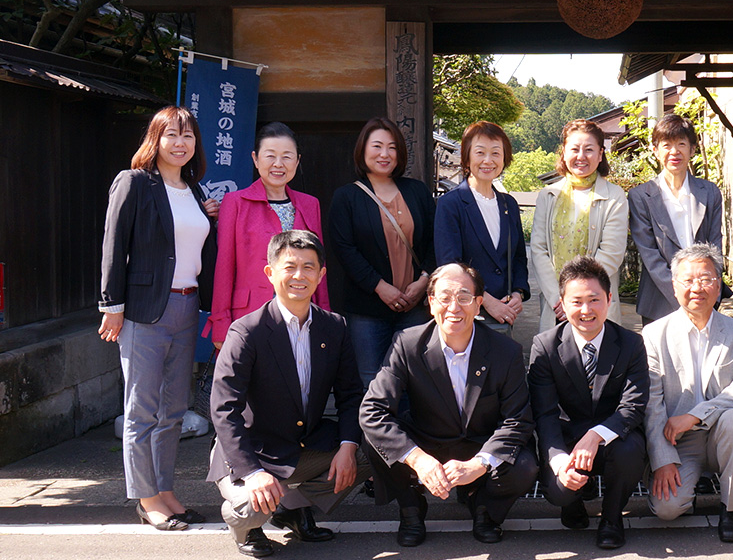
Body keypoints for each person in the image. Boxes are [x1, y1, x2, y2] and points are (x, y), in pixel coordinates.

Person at [208, 230, 365, 558]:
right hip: (252, 449)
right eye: (289, 266)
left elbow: (351, 394)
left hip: (300, 445)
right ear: (270, 272)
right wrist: (252, 473)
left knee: (371, 454)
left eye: (309, 268)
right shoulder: (247, 331)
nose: (299, 276)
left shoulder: (334, 327)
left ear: (321, 275)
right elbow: (224, 409)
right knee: (254, 507)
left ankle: (293, 507)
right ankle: (245, 526)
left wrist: (348, 447)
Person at [360, 263, 539, 547]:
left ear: (479, 305)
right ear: (431, 303)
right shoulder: (407, 344)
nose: (453, 307)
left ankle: (485, 509)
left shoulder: (506, 351)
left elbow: (518, 419)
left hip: (480, 442)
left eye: (464, 297)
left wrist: (479, 465)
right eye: (444, 297)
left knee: (525, 465)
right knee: (374, 439)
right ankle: (411, 509)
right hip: (428, 439)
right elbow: (372, 410)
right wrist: (418, 459)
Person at [99, 105, 218, 530]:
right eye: (172, 135)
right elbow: (113, 245)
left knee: (173, 409)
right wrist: (111, 306)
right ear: (156, 139)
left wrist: (212, 216)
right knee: (142, 408)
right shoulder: (134, 183)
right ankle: (146, 497)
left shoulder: (196, 191)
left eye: (188, 136)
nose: (180, 143)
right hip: (145, 309)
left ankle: (166, 491)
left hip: (188, 306)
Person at [528, 256, 648, 550]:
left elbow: (633, 405)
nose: (586, 310)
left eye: (594, 300)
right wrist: (558, 462)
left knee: (632, 448)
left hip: (611, 437)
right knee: (559, 490)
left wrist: (596, 436)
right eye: (576, 301)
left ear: (609, 299)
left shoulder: (631, 344)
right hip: (566, 438)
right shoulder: (544, 346)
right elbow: (543, 413)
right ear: (562, 304)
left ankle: (611, 519)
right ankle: (572, 503)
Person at [641, 244, 733, 543]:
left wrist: (694, 416)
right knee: (667, 509)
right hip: (677, 439)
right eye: (688, 280)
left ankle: (731, 508)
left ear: (718, 285)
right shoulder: (654, 335)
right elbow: (652, 403)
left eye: (706, 279)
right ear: (674, 285)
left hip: (723, 432)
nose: (697, 288)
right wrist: (662, 460)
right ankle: (687, 491)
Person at [327, 117, 436, 388]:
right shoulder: (346, 197)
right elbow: (344, 249)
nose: (384, 154)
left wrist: (423, 282)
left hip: (414, 305)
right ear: (363, 150)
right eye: (377, 146)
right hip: (367, 308)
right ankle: (374, 432)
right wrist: (379, 287)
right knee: (371, 379)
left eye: (392, 147)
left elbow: (435, 240)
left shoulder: (418, 192)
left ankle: (410, 430)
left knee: (415, 377)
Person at [206, 122, 329, 347]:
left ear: (298, 160)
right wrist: (221, 323)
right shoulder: (235, 203)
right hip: (249, 315)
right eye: (270, 156)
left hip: (302, 314)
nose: (278, 164)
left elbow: (319, 268)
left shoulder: (310, 204)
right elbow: (224, 267)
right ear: (256, 159)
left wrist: (325, 317)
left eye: (287, 157)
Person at [529, 119, 629, 331]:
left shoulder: (614, 196)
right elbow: (538, 249)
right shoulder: (548, 195)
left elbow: (611, 253)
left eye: (589, 150)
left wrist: (578, 299)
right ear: (564, 153)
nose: (581, 156)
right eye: (574, 149)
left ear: (600, 154)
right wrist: (561, 300)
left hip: (596, 304)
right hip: (556, 305)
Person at [627, 113, 725, 323]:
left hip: (703, 298)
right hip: (659, 301)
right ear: (655, 151)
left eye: (681, 143)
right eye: (667, 145)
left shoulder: (709, 192)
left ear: (692, 149)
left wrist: (705, 292)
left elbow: (715, 245)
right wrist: (681, 294)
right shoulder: (641, 196)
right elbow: (649, 255)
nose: (674, 151)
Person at [433, 121, 529, 335]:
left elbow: (519, 257)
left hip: (504, 315)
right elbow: (450, 265)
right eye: (480, 152)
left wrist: (518, 293)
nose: (488, 160)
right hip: (463, 313)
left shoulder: (509, 204)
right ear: (467, 157)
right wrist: (486, 300)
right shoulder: (451, 203)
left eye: (496, 153)